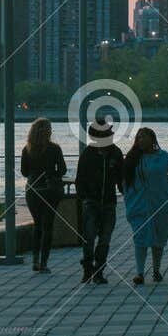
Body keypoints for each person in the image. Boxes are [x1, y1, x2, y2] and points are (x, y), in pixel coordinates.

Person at [122, 127, 168, 287]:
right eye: (139, 137)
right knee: (139, 239)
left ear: (152, 139)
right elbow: (125, 183)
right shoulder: (133, 158)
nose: (141, 140)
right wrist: (128, 201)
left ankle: (156, 270)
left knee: (158, 238)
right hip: (138, 205)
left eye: (144, 137)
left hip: (161, 205)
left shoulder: (164, 157)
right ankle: (139, 273)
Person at [74, 117, 124, 284]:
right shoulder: (88, 153)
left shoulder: (116, 153)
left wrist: (126, 192)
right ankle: (88, 270)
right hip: (91, 202)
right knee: (88, 238)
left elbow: (121, 177)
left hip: (109, 202)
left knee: (105, 239)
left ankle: (99, 270)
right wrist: (84, 197)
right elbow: (80, 178)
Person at [20, 118, 66, 274]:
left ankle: (35, 260)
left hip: (32, 190)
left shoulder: (27, 149)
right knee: (48, 226)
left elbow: (24, 172)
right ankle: (44, 263)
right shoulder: (54, 149)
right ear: (48, 131)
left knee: (37, 225)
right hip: (50, 189)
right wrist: (52, 174)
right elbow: (63, 170)